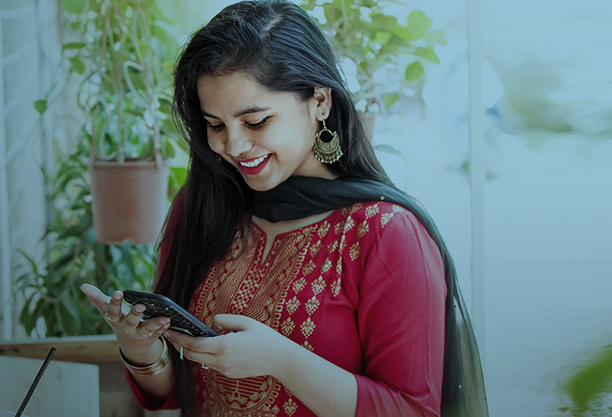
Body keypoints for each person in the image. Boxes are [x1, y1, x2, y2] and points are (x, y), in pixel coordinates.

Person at [81, 1, 488, 416]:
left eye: (256, 122)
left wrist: (282, 361)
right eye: (216, 125)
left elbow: (414, 410)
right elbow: (173, 391)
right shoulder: (204, 204)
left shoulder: (386, 234)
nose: (232, 146)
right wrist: (141, 349)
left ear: (320, 102)